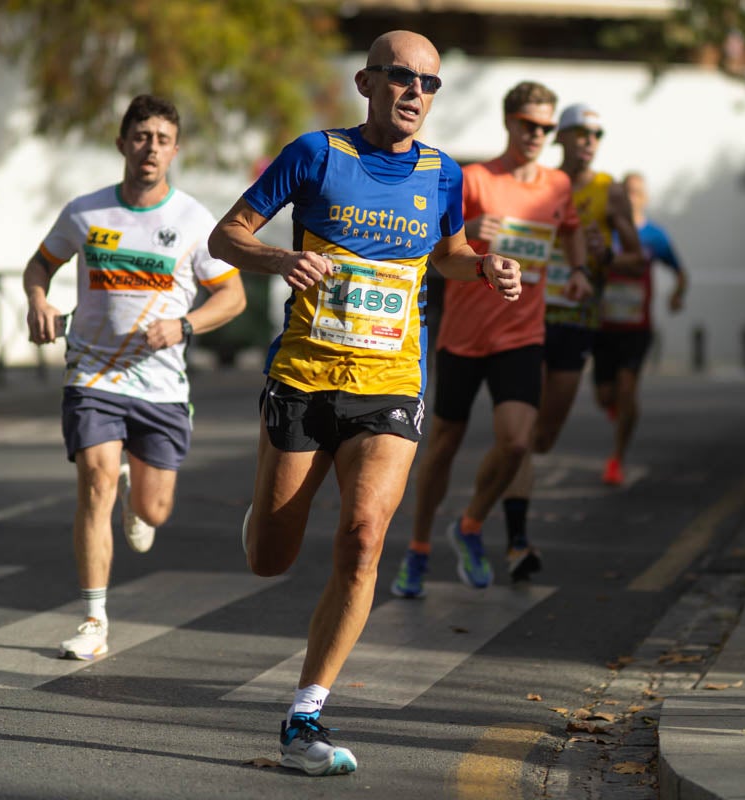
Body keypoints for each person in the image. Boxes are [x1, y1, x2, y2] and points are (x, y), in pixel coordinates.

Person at [207, 30, 521, 776]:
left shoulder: (444, 173)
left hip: (391, 380)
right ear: (366, 82)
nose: (417, 94)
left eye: (431, 84)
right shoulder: (316, 155)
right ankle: (264, 517)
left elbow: (443, 254)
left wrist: (484, 266)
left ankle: (306, 715)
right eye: (403, 78)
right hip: (306, 376)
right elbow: (226, 237)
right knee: (269, 560)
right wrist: (280, 257)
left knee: (364, 534)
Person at [23, 94, 246, 661]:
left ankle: (137, 497)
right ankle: (94, 618)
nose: (150, 148)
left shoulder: (193, 220)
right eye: (141, 136)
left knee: (155, 513)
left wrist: (185, 326)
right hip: (93, 374)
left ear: (176, 150)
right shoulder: (86, 212)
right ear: (122, 143)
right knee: (94, 481)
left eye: (162, 139)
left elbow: (234, 297)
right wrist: (38, 300)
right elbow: (40, 263)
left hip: (162, 385)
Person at [389, 82, 590, 597]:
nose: (538, 135)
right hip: (463, 336)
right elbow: (432, 248)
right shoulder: (472, 178)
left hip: (522, 335)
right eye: (529, 125)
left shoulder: (557, 186)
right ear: (509, 122)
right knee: (443, 447)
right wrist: (472, 224)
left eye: (546, 127)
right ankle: (417, 549)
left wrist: (580, 270)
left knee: (518, 441)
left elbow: (568, 229)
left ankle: (471, 525)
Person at [499, 102, 639, 576]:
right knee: (522, 432)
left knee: (544, 435)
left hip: (578, 320)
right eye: (580, 133)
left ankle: (511, 484)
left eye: (596, 136)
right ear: (562, 137)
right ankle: (517, 539)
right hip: (531, 315)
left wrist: (607, 255)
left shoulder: (610, 191)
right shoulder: (540, 184)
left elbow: (636, 258)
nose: (588, 143)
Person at [591, 170, 688, 485]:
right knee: (605, 396)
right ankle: (616, 405)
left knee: (628, 388)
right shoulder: (605, 233)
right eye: (625, 191)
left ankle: (616, 458)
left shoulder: (654, 236)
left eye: (636, 192)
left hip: (637, 327)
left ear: (644, 197)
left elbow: (680, 272)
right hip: (603, 326)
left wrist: (676, 295)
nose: (631, 197)